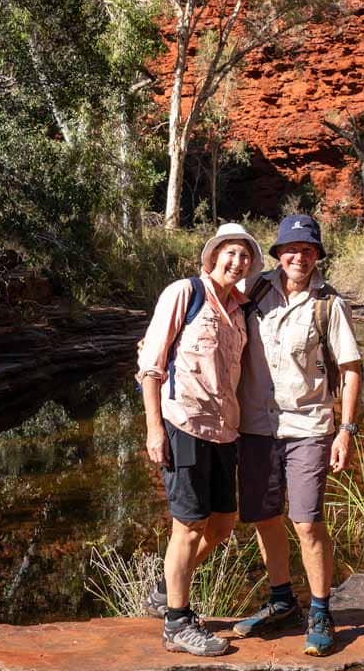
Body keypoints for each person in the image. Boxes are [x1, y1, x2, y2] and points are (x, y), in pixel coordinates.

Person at [232, 213, 363, 657]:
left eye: (307, 250)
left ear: (317, 255)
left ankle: (322, 610)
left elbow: (349, 370)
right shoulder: (253, 291)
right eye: (291, 249)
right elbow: (208, 316)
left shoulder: (330, 304)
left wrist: (345, 431)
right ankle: (282, 600)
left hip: (308, 426)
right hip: (255, 426)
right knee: (265, 516)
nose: (298, 257)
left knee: (306, 521)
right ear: (278, 253)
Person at [135, 222, 264, 657]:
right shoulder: (183, 294)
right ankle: (176, 623)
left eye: (244, 256)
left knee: (223, 525)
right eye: (230, 252)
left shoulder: (241, 310)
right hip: (183, 423)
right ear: (213, 255)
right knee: (188, 526)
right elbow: (150, 365)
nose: (236, 261)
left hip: (224, 430)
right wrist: (154, 429)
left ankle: (164, 589)